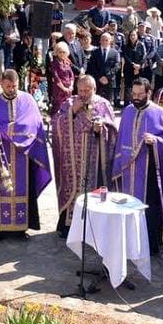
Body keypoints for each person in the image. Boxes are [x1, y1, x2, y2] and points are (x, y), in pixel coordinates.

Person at [0, 70, 52, 240]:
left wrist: (11, 129)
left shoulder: (27, 100)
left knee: (24, 189)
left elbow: (35, 124)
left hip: (23, 156)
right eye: (8, 86)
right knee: (0, 190)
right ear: (1, 84)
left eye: (14, 86)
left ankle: (21, 228)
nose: (12, 89)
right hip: (1, 156)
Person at [112, 78, 163, 256]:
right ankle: (128, 242)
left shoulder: (158, 112)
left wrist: (155, 141)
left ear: (148, 93)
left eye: (140, 94)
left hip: (149, 169)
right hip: (127, 168)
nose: (136, 97)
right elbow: (121, 138)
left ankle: (150, 244)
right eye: (134, 94)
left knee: (149, 206)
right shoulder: (128, 111)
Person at [51, 75, 118, 237]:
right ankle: (68, 227)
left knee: (95, 189)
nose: (83, 93)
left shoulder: (103, 105)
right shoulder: (69, 103)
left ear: (94, 89)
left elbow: (113, 131)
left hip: (94, 160)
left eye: (87, 90)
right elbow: (55, 124)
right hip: (72, 162)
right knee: (71, 189)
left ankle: (92, 229)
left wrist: (101, 129)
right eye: (80, 90)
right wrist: (72, 111)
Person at [86, 32, 120, 103]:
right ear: (100, 40)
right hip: (97, 81)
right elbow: (92, 66)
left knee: (108, 103)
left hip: (109, 81)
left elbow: (117, 66)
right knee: (96, 102)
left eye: (106, 40)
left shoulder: (115, 53)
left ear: (110, 41)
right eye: (103, 40)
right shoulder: (95, 52)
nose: (104, 42)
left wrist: (107, 77)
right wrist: (100, 77)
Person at [122, 29, 146, 105]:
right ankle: (127, 104)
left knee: (137, 86)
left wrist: (139, 66)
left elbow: (144, 56)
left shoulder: (141, 45)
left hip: (139, 69)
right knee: (128, 87)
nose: (133, 37)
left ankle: (137, 103)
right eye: (131, 35)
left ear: (137, 36)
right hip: (128, 69)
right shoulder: (126, 46)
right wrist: (133, 65)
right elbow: (125, 56)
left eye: (134, 35)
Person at [49, 41, 75, 115]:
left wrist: (71, 86)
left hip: (68, 90)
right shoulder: (54, 63)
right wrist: (64, 88)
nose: (62, 54)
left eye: (64, 52)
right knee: (58, 107)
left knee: (67, 106)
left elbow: (71, 75)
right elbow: (56, 77)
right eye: (60, 52)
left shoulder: (67, 61)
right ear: (57, 52)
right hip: (59, 90)